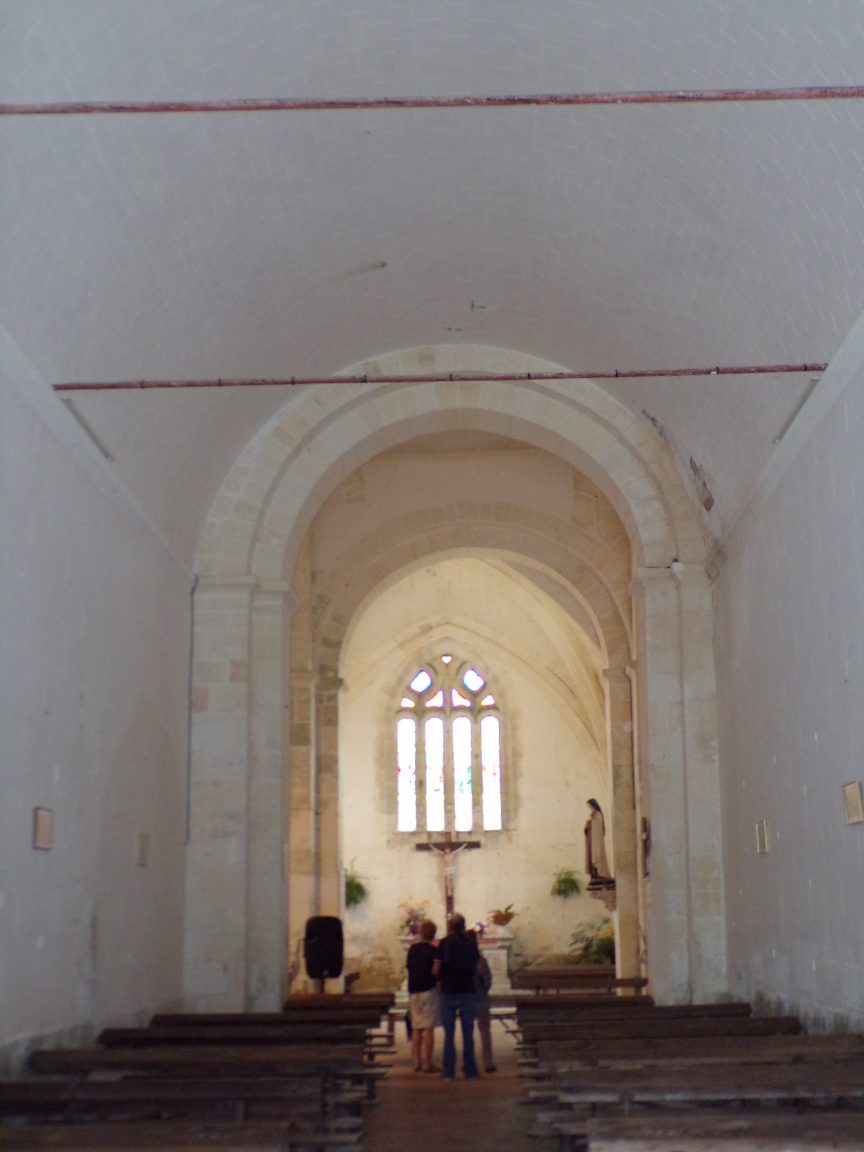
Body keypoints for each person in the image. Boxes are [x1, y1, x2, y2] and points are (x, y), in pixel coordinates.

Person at [434, 912, 480, 1081]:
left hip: (448, 990)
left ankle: (448, 1072)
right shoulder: (471, 942)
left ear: (451, 927)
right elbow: (478, 967)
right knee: (468, 1034)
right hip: (467, 989)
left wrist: (438, 976)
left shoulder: (444, 943)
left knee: (449, 1034)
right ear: (464, 925)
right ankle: (471, 1071)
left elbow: (436, 969)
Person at [405, 919, 440, 1072]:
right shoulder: (434, 951)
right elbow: (435, 971)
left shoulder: (412, 950)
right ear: (433, 935)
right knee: (428, 1028)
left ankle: (416, 1063)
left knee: (416, 1028)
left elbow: (409, 967)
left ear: (420, 932)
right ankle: (427, 1063)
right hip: (429, 990)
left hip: (414, 990)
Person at [470, 933, 496, 1072]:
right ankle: (488, 1063)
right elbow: (487, 982)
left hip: (468, 999)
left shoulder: (464, 961)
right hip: (480, 998)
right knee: (485, 1031)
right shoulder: (481, 961)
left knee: (468, 1033)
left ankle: (470, 1062)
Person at [584, 797, 611, 881]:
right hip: (592, 840)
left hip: (596, 840)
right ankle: (595, 874)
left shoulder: (598, 814)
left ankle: (600, 873)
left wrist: (590, 825)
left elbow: (597, 828)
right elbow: (591, 827)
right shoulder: (593, 815)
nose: (590, 808)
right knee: (592, 855)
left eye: (590, 806)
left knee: (598, 854)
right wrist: (587, 827)